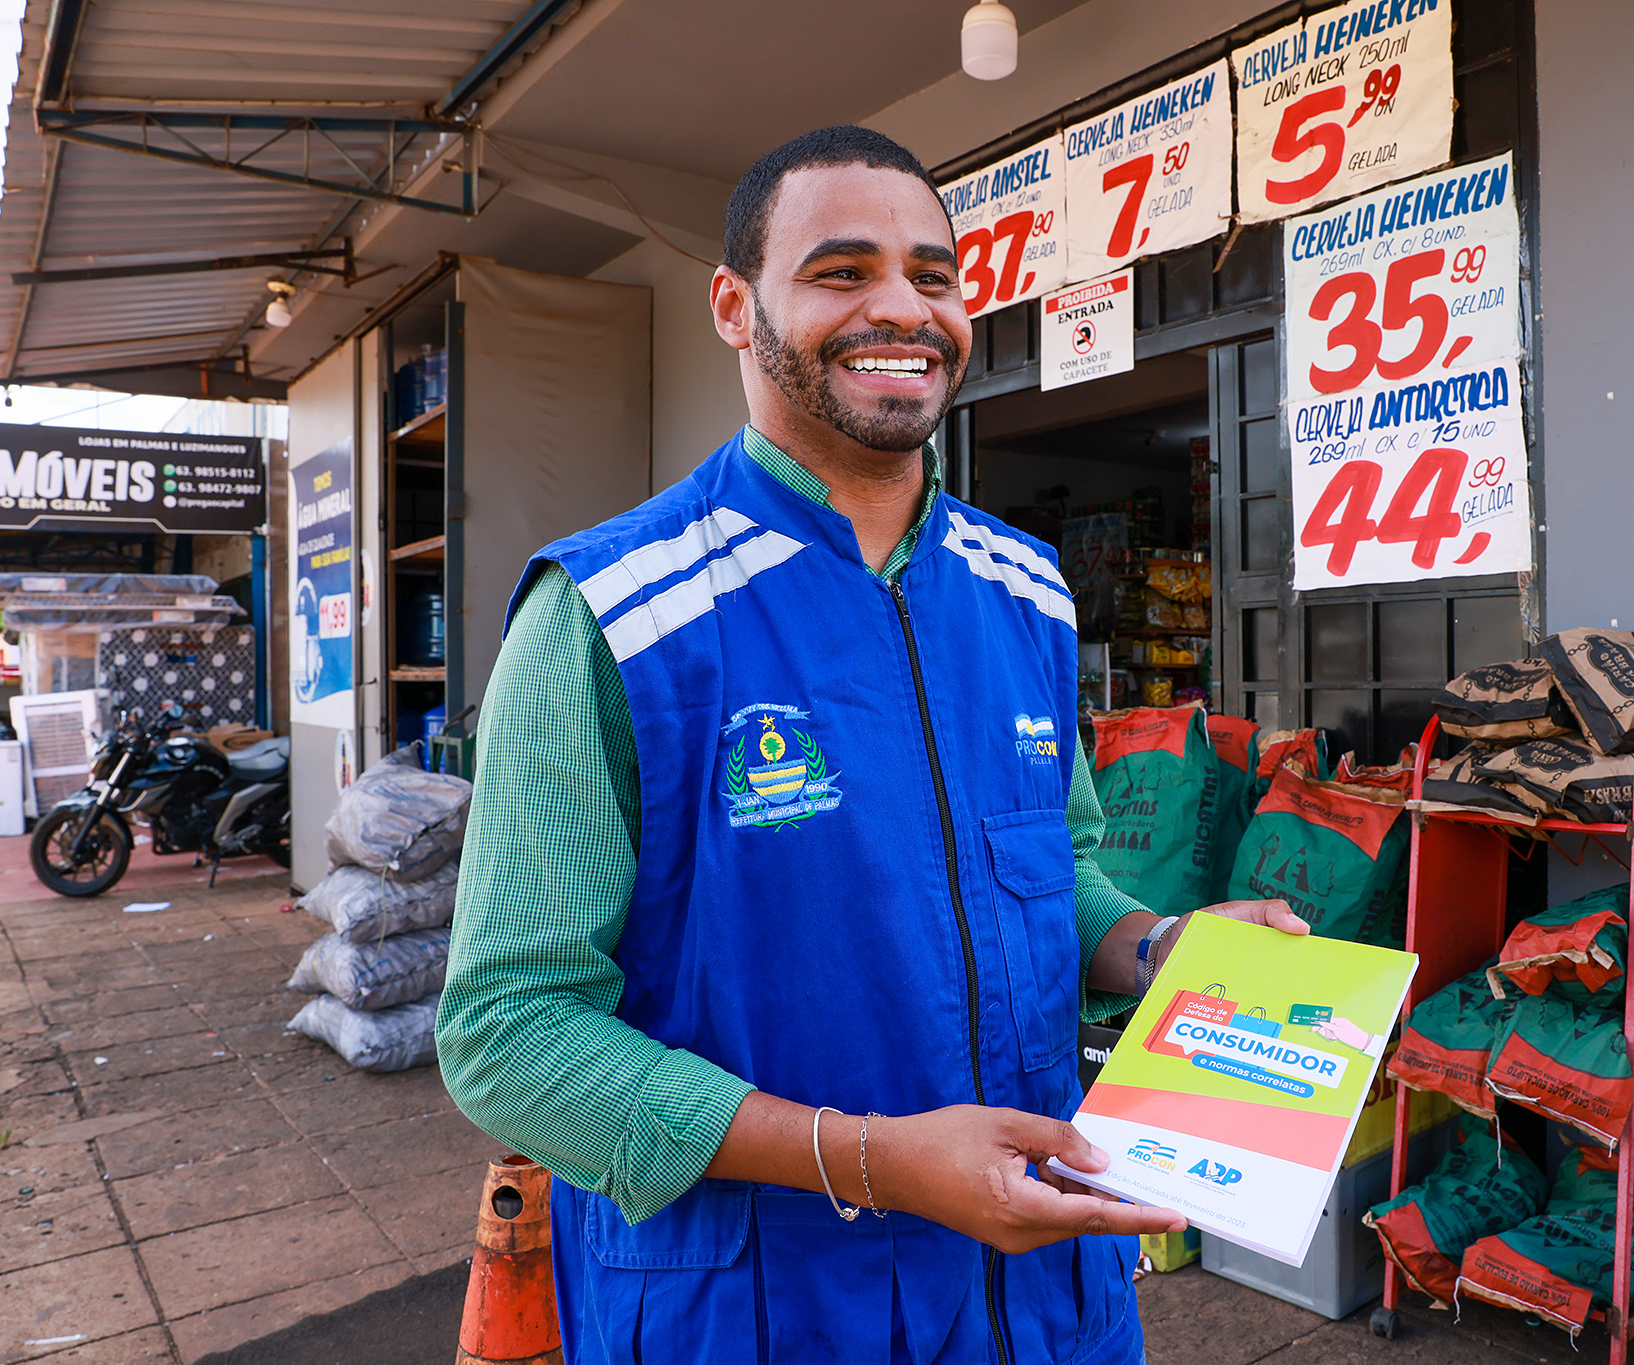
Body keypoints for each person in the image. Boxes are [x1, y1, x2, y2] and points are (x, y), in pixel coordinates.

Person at [436, 124, 1309, 1365]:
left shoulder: (1025, 590)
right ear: (734, 308)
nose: (902, 307)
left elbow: (1048, 874)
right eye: (841, 272)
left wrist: (1165, 948)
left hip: (1050, 1303)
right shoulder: (611, 615)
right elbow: (510, 1032)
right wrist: (869, 1160)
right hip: (759, 1312)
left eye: (931, 276)